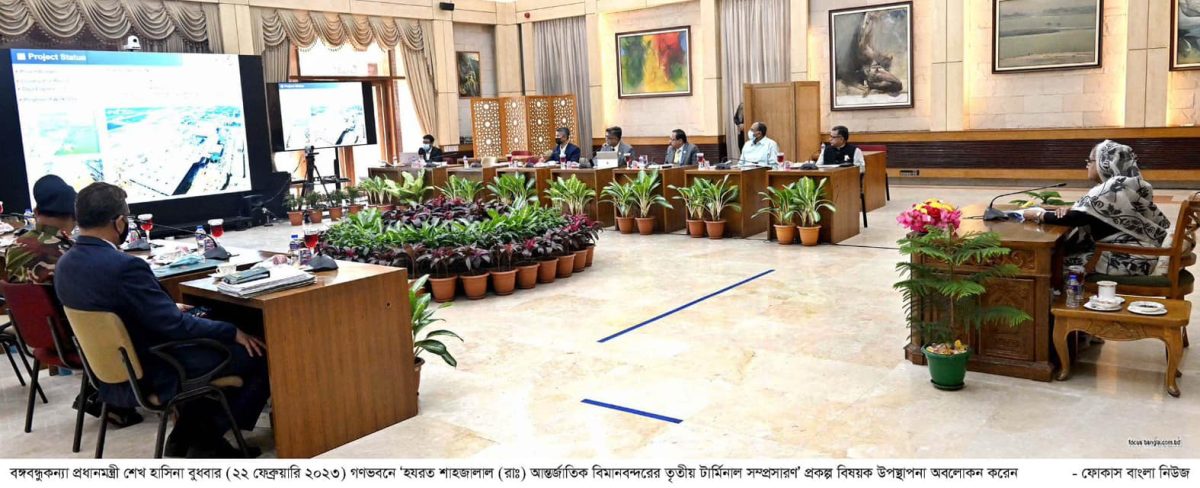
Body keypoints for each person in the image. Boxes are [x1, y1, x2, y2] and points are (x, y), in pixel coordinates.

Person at [54, 183, 270, 457]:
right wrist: (231, 331)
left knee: (216, 333)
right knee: (256, 351)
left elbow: (112, 310)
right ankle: (207, 441)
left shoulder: (65, 265)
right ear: (119, 222)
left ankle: (184, 437)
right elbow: (175, 326)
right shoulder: (125, 266)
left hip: (111, 368)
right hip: (157, 366)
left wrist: (164, 307)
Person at [1023, 140, 1171, 276]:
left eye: (1090, 161)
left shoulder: (1113, 187)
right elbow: (1088, 214)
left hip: (1125, 259)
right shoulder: (1131, 183)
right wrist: (1074, 210)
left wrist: (1036, 215)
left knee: (1051, 263)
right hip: (1143, 255)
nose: (1087, 165)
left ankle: (1057, 295)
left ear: (1105, 163)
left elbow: (1077, 218)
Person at [4, 175, 76, 285]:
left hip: (21, 297)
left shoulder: (14, 247)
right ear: (75, 215)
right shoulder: (71, 256)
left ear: (36, 212)